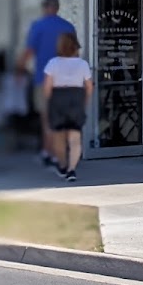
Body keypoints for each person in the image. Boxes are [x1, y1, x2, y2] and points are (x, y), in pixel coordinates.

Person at [16, 0, 75, 169]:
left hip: (44, 79)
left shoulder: (38, 26)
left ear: (44, 8)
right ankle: (56, 152)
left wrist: (19, 70)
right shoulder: (68, 27)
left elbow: (29, 51)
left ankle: (50, 153)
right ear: (57, 8)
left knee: (47, 117)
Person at [42, 32, 92, 182]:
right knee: (75, 137)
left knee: (59, 137)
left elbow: (47, 87)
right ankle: (72, 169)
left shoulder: (53, 63)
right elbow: (89, 86)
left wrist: (49, 102)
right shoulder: (82, 64)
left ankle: (63, 165)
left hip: (58, 98)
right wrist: (84, 101)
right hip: (76, 98)